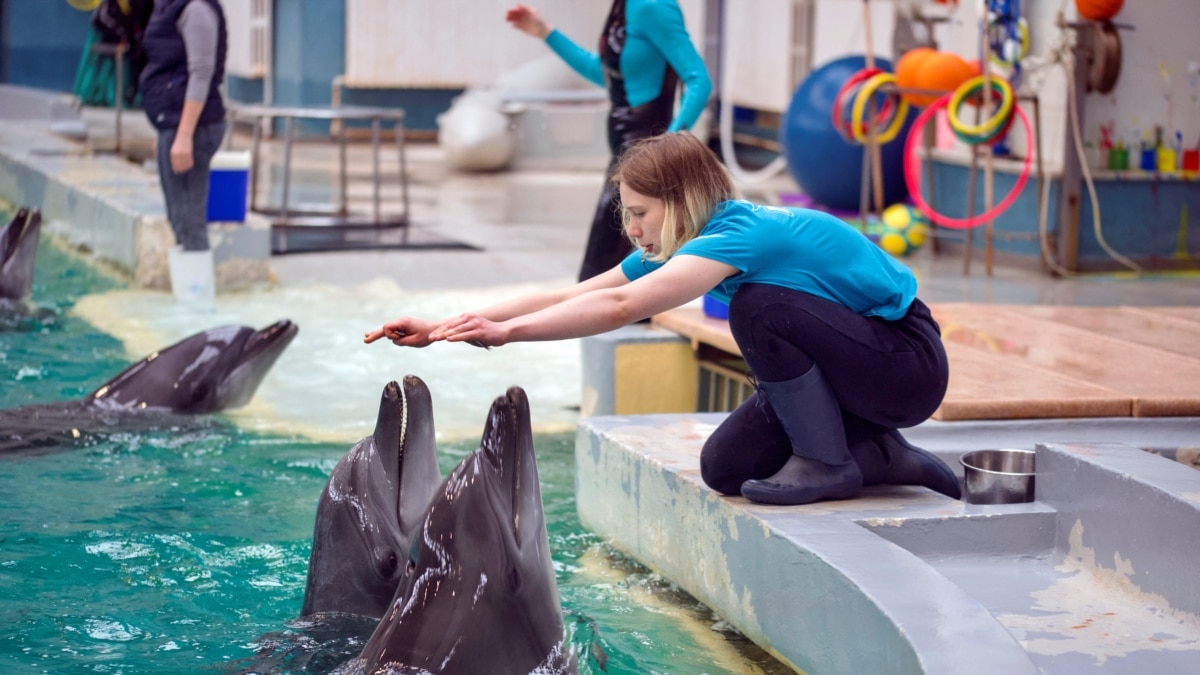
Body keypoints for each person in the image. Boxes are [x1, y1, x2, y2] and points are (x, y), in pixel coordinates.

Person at [364, 132, 962, 507]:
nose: (631, 229)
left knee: (759, 306)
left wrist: (506, 336)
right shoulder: (688, 240)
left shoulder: (740, 234)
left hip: (906, 365)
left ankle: (831, 463)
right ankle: (884, 455)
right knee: (726, 469)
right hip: (858, 372)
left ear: (681, 202)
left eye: (640, 213)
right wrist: (445, 324)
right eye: (626, 213)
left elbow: (624, 307)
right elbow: (574, 294)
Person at [505, 1, 712, 282]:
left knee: (612, 252)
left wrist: (668, 143)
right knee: (612, 253)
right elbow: (606, 74)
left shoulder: (653, 7)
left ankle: (609, 311)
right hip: (624, 148)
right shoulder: (623, 8)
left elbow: (698, 79)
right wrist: (545, 32)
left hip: (644, 148)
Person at [139, 0, 227, 253]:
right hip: (173, 124)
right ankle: (190, 285)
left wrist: (184, 135)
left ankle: (198, 290)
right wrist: (163, 129)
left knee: (189, 222)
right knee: (178, 218)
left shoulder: (195, 9)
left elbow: (201, 72)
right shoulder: (167, 7)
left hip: (195, 127)